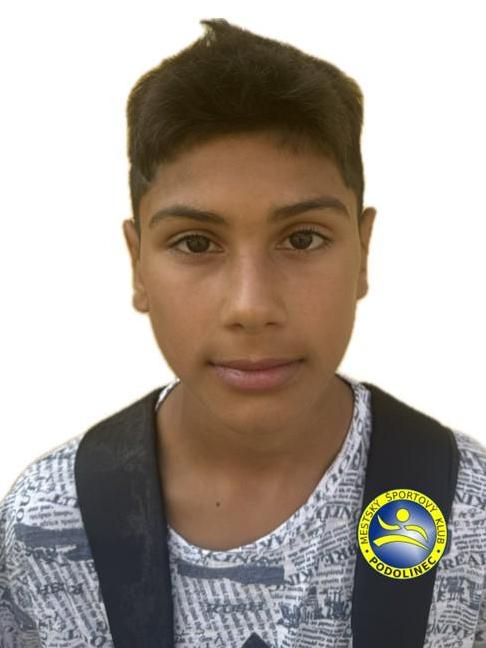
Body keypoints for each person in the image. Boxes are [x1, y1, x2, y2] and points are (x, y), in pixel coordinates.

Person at [1, 17, 485, 648]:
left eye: (302, 239)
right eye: (195, 243)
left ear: (363, 254)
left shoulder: (468, 508)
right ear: (137, 265)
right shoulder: (45, 521)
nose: (251, 307)